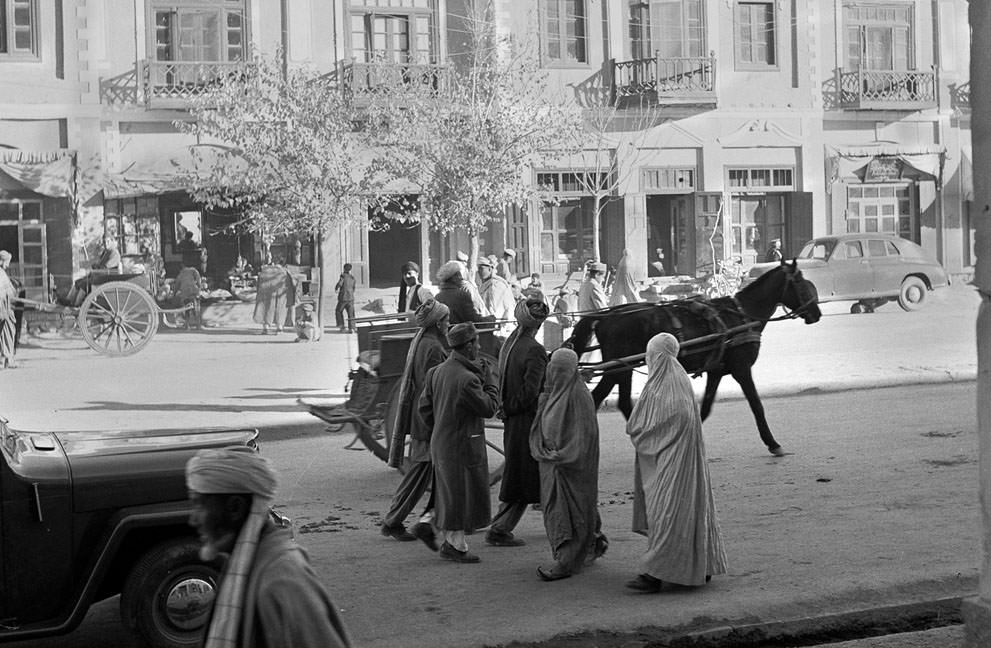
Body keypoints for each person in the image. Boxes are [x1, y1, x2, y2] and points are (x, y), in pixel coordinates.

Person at [186, 446, 352, 648]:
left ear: (235, 508)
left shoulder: (282, 577)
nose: (193, 520)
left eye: (199, 505)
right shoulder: (248, 561)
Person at [624, 333, 727, 593]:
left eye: (650, 355)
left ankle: (654, 574)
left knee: (666, 513)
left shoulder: (663, 386)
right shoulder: (678, 378)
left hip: (673, 463)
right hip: (684, 461)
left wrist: (636, 429)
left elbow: (645, 426)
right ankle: (699, 566)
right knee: (689, 511)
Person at [418, 322, 500, 563]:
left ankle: (432, 527)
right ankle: (455, 546)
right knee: (459, 496)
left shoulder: (437, 372)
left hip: (442, 442)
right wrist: (490, 380)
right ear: (469, 347)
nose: (480, 345)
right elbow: (489, 408)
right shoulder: (468, 379)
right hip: (461, 446)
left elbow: (424, 411)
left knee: (450, 493)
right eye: (477, 341)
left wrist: (442, 427)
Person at [530, 348, 606, 581]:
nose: (554, 372)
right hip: (553, 466)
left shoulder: (579, 398)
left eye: (559, 369)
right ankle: (593, 544)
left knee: (568, 515)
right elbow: (539, 422)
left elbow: (584, 440)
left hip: (570, 469)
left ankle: (566, 562)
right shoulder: (553, 394)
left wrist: (561, 456)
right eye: (552, 367)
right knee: (562, 513)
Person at [380, 299, 450, 546]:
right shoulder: (432, 348)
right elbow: (435, 386)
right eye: (446, 320)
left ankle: (405, 521)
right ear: (438, 323)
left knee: (420, 474)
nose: (448, 324)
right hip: (429, 418)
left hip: (423, 416)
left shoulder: (421, 342)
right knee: (419, 475)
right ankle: (394, 521)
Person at [486, 298, 550, 547]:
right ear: (539, 323)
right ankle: (500, 529)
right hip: (527, 421)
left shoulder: (510, 345)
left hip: (514, 421)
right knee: (524, 477)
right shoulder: (534, 349)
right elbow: (530, 392)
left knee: (522, 474)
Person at [65, 235, 122, 307]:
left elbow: (105, 268)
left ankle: (76, 305)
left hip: (106, 278)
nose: (106, 244)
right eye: (104, 242)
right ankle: (69, 301)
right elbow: (98, 264)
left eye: (108, 241)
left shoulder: (114, 253)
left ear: (112, 241)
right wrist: (95, 266)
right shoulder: (106, 252)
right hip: (100, 275)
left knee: (84, 283)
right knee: (78, 281)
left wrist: (96, 268)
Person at [253, 257, 295, 335]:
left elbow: (258, 284)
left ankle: (266, 327)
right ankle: (279, 327)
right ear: (283, 263)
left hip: (265, 293)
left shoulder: (265, 271)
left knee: (266, 308)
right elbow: (291, 285)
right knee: (280, 308)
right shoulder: (284, 272)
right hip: (281, 293)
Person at [477, 256, 515, 323]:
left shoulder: (496, 285)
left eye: (481, 269)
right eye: (478, 269)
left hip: (499, 322)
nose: (479, 272)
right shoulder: (485, 284)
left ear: (490, 269)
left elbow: (494, 308)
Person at [0, 250, 18, 369]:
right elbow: (8, 292)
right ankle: (7, 359)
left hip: (4, 307)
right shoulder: (1, 274)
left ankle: (5, 359)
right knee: (9, 329)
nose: (8, 265)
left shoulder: (2, 273)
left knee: (6, 331)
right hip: (2, 308)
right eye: (7, 262)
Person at [174, 261, 203, 330]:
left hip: (185, 294)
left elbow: (176, 286)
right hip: (194, 292)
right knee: (196, 309)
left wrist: (174, 294)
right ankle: (198, 325)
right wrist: (199, 287)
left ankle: (187, 325)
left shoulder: (180, 275)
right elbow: (198, 279)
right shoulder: (193, 270)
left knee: (187, 310)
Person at [334, 263, 356, 333]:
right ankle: (352, 328)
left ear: (344, 268)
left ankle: (342, 326)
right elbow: (353, 288)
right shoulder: (352, 278)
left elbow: (340, 283)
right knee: (351, 313)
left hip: (343, 298)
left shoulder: (343, 276)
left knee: (338, 311)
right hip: (351, 298)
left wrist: (336, 288)